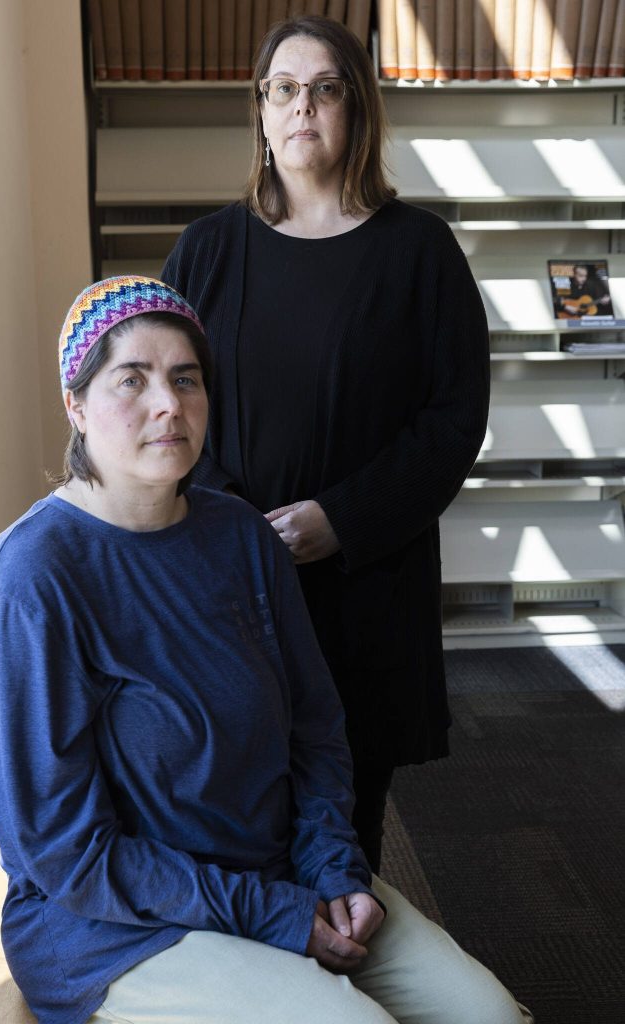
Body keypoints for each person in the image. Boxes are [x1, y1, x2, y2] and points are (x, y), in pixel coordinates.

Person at [0, 277, 530, 1024]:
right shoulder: (30, 578)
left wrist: (332, 866)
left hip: (279, 872)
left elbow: (314, 726)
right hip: (115, 925)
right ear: (76, 403)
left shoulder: (240, 535)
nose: (168, 404)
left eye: (185, 378)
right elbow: (62, 852)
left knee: (486, 1015)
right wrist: (277, 916)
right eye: (132, 379)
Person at [162, 14, 490, 871]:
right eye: (282, 88)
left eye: (325, 87)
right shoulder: (205, 252)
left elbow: (453, 420)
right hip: (230, 577)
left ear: (356, 110)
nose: (301, 104)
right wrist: (236, 522)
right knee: (226, 803)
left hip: (366, 582)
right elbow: (166, 404)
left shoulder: (419, 252)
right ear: (261, 115)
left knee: (347, 824)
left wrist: (338, 518)